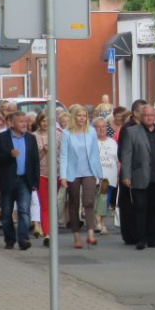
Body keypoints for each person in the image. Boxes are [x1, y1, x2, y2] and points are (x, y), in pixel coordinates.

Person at [119, 104, 155, 250]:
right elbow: (126, 155)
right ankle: (141, 239)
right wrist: (126, 175)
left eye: (152, 115)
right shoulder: (132, 132)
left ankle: (153, 238)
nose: (149, 118)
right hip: (139, 177)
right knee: (140, 208)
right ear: (141, 117)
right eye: (146, 115)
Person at [0, 111, 40, 251]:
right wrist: (9, 155)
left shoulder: (31, 138)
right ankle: (10, 239)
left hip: (25, 180)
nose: (24, 123)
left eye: (25, 121)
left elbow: (35, 161)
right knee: (6, 213)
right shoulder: (1, 138)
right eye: (21, 121)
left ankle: (23, 239)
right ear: (11, 123)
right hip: (7, 181)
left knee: (24, 211)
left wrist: (35, 181)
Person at [60, 105, 103, 249]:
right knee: (74, 203)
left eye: (84, 116)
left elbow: (95, 154)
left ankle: (91, 233)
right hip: (73, 172)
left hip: (89, 171)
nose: (82, 118)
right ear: (74, 117)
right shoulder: (66, 133)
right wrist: (63, 176)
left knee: (89, 201)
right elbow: (64, 156)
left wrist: (99, 174)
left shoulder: (91, 132)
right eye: (79, 115)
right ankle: (76, 236)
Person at [115, 100, 146, 245]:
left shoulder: (146, 126)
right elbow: (122, 152)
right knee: (128, 204)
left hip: (144, 170)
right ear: (135, 113)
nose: (145, 114)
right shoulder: (127, 128)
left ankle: (143, 232)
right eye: (142, 111)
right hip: (131, 170)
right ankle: (129, 234)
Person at [31, 112, 54, 244]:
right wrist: (43, 152)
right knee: (45, 204)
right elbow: (34, 159)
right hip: (41, 173)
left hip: (56, 173)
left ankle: (50, 228)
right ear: (39, 122)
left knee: (53, 204)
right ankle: (48, 233)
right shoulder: (33, 137)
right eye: (43, 121)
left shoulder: (57, 135)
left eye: (48, 121)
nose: (45, 123)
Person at [94, 117, 118, 235]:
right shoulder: (92, 142)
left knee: (105, 200)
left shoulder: (112, 142)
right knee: (98, 200)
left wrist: (118, 174)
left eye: (103, 126)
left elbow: (117, 160)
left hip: (110, 175)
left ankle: (101, 222)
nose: (101, 129)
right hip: (97, 176)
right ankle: (99, 222)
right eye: (98, 127)